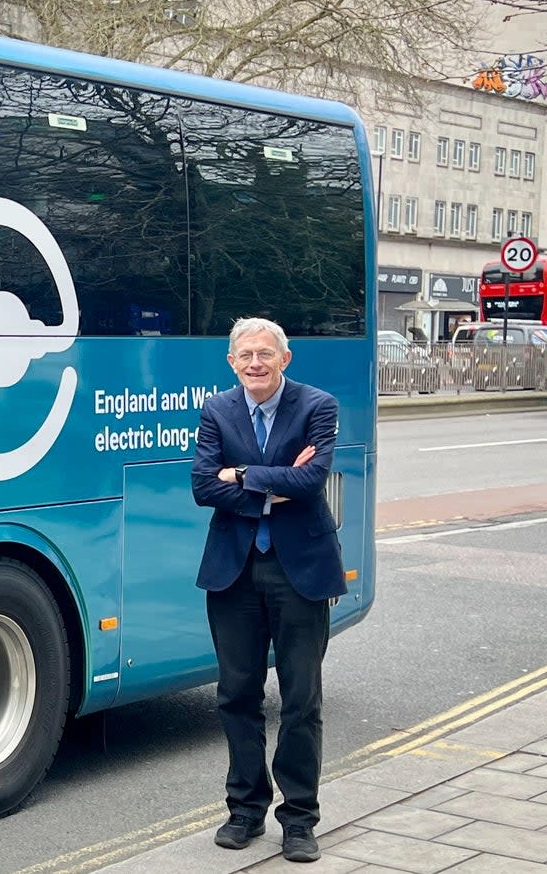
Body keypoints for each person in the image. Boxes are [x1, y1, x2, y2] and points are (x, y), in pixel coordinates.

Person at [191, 317, 346, 864]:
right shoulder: (218, 410)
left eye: (264, 353)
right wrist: (270, 481)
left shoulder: (317, 406)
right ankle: (245, 810)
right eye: (244, 355)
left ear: (285, 359)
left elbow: (312, 481)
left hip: (299, 569)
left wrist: (242, 475)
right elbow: (202, 486)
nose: (254, 363)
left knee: (302, 700)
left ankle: (300, 819)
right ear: (231, 363)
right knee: (236, 695)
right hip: (234, 571)